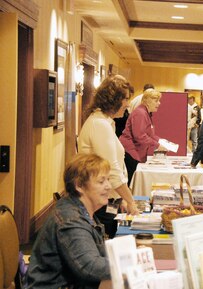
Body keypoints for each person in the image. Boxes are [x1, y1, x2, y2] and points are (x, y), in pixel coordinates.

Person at [25, 153, 111, 289]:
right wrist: (131, 263)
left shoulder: (79, 209)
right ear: (79, 185)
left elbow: (95, 252)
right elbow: (90, 268)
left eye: (108, 180)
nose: (108, 186)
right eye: (101, 181)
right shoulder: (70, 220)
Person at [78, 75, 139, 238]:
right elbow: (111, 169)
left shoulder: (105, 122)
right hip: (98, 201)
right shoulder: (100, 124)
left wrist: (124, 199)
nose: (127, 104)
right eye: (125, 99)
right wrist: (131, 201)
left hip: (107, 199)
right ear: (113, 100)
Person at [119, 89, 166, 186]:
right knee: (130, 183)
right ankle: (130, 201)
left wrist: (162, 141)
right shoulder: (141, 113)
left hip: (136, 152)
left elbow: (150, 134)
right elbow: (139, 136)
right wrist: (157, 145)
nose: (159, 103)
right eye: (156, 100)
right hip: (130, 152)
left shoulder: (146, 113)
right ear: (148, 101)